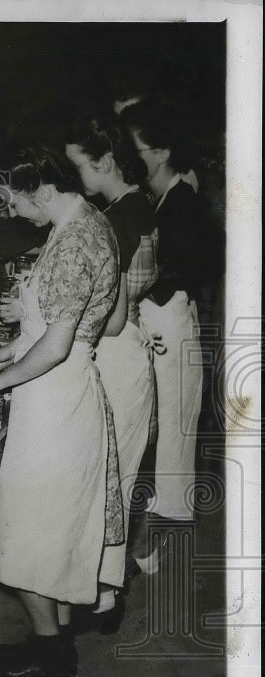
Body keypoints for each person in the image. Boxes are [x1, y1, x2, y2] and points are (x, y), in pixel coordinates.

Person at [0, 144, 121, 677]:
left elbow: (56, 346)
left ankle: (50, 651)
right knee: (49, 527)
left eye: (13, 201)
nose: (12, 214)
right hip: (60, 389)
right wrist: (13, 347)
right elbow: (69, 324)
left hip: (55, 398)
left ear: (40, 189)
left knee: (26, 526)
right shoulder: (84, 223)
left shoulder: (75, 240)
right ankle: (50, 647)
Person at [64, 113, 158, 630]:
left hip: (118, 357)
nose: (76, 174)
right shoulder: (134, 204)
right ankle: (102, 590)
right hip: (130, 355)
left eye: (79, 164)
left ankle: (101, 598)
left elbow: (116, 319)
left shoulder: (118, 219)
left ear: (102, 161)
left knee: (107, 482)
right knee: (113, 480)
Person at [120, 100, 217, 572]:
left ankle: (152, 542)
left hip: (170, 320)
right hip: (155, 318)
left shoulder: (182, 201)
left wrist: (136, 290)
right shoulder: (157, 196)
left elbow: (190, 265)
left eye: (134, 149)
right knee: (156, 430)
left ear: (159, 152)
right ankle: (146, 535)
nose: (127, 156)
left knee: (174, 432)